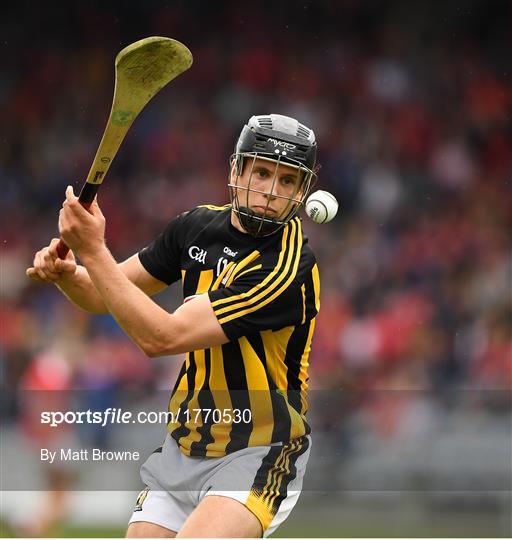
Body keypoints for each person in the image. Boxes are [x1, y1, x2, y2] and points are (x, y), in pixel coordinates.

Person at [27, 113, 321, 538]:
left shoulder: (289, 266)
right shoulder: (196, 227)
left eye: (288, 181)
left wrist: (92, 249)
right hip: (183, 445)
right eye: (261, 172)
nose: (271, 192)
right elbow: (101, 293)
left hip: (256, 450)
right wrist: (69, 275)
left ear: (302, 190)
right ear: (236, 170)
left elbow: (161, 337)